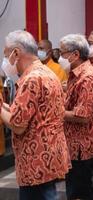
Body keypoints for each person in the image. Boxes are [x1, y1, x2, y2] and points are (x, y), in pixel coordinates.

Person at [0, 30, 70, 200]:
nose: (5, 60)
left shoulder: (31, 79)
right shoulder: (46, 72)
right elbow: (31, 112)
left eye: (6, 54)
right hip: (49, 154)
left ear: (16, 53)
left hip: (36, 160)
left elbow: (18, 125)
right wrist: (5, 107)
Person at [59, 34, 93, 199]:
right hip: (77, 145)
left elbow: (82, 116)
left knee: (79, 192)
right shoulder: (76, 74)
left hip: (83, 146)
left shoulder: (87, 77)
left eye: (62, 53)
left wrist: (53, 111)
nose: (60, 57)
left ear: (75, 55)